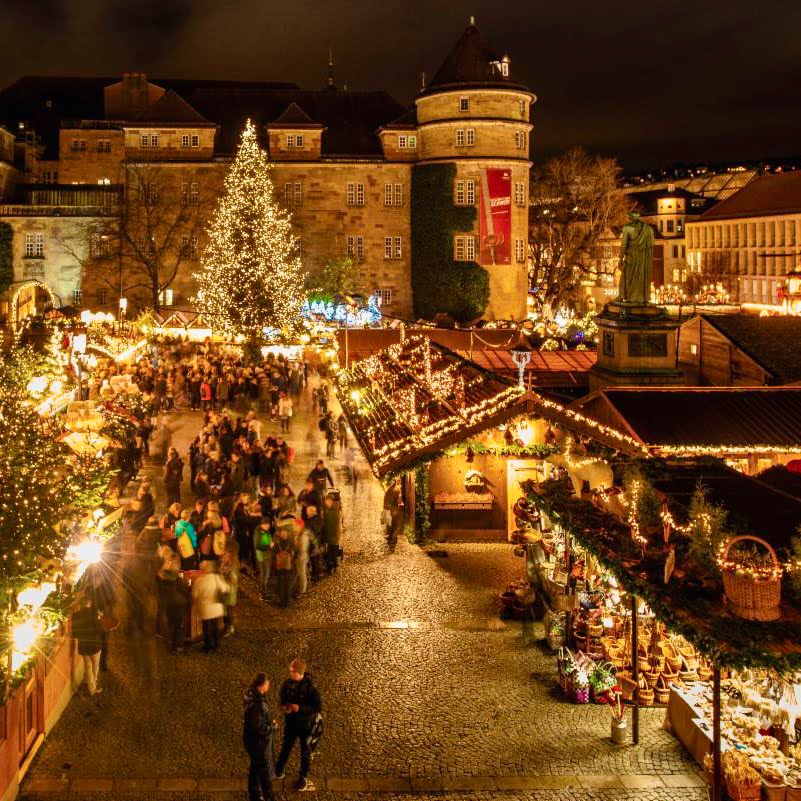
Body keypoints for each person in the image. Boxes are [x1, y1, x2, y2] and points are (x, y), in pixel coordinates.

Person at [275, 659, 322, 791]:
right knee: (286, 746)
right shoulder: (287, 683)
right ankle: (279, 769)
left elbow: (317, 707)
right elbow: (282, 697)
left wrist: (300, 708)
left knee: (305, 752)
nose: (290, 674)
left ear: (300, 673)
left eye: (293, 672)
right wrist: (284, 707)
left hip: (306, 725)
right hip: (291, 723)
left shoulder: (311, 688)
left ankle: (303, 777)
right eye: (290, 671)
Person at [243, 673, 276, 801]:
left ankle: (254, 794)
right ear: (262, 685)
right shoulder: (258, 704)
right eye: (267, 682)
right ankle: (268, 798)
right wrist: (271, 727)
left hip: (251, 741)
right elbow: (259, 728)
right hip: (258, 744)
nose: (269, 683)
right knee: (264, 773)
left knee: (254, 767)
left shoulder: (251, 695)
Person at [191, 560, 229, 652]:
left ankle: (208, 646)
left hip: (205, 610)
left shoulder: (199, 581)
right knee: (215, 627)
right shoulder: (217, 578)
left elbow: (194, 595)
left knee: (206, 628)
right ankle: (216, 645)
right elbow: (226, 588)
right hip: (216, 609)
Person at [72, 594, 104, 696]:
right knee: (95, 665)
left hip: (84, 645)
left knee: (88, 666)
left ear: (81, 605)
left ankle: (91, 687)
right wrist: (99, 619)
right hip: (95, 644)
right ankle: (93, 686)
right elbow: (99, 629)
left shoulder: (75, 616)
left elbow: (74, 633)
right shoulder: (94, 613)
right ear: (89, 603)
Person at [274, 524, 297, 609]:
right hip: (288, 567)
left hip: (280, 567)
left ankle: (282, 602)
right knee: (286, 584)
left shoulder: (277, 543)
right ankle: (286, 602)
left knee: (282, 584)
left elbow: (274, 554)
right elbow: (295, 555)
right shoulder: (291, 543)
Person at [253, 517, 274, 601]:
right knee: (264, 575)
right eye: (265, 524)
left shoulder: (266, 531)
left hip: (267, 555)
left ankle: (263, 591)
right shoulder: (258, 533)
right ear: (262, 524)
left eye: (268, 524)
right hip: (262, 557)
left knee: (266, 574)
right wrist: (269, 546)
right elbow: (257, 546)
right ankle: (262, 593)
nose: (267, 526)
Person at [323, 495, 342, 575]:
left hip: (333, 534)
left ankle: (333, 566)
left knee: (333, 551)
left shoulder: (333, 511)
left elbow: (336, 523)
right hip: (331, 535)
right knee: (332, 550)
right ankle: (333, 566)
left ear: (330, 501)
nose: (325, 502)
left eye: (327, 501)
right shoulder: (332, 510)